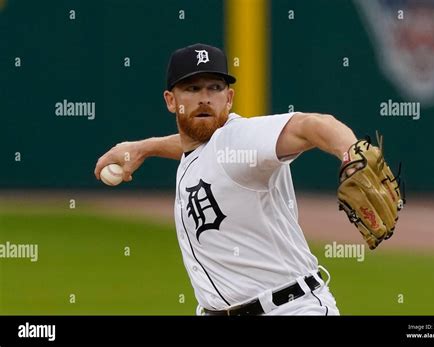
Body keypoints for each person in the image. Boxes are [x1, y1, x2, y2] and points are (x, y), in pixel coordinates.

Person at [95, 43, 358, 315]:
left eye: (215, 88)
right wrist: (143, 148)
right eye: (192, 88)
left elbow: (311, 125)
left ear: (229, 98)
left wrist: (352, 156)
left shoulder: (240, 137)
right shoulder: (206, 150)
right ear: (171, 101)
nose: (205, 98)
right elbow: (197, 148)